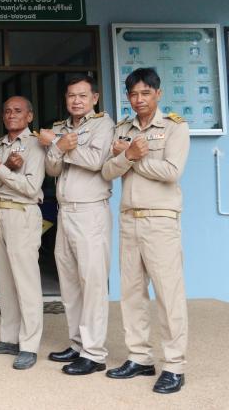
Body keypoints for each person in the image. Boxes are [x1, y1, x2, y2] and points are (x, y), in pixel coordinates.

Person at [102, 67, 189, 395]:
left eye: (146, 93)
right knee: (132, 293)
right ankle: (139, 357)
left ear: (158, 94)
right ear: (128, 97)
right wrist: (127, 155)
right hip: (129, 218)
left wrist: (132, 158)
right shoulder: (123, 129)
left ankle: (174, 365)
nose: (139, 99)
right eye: (134, 94)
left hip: (160, 219)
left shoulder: (174, 127)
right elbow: (107, 171)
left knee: (168, 295)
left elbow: (171, 171)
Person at [37, 76, 115, 375]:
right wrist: (58, 146)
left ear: (95, 98)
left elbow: (95, 160)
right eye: (71, 96)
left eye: (83, 95)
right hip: (65, 212)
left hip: (90, 211)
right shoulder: (61, 127)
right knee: (69, 282)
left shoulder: (103, 124)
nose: (77, 101)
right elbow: (51, 167)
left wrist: (58, 145)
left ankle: (94, 353)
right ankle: (78, 343)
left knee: (92, 283)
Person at [0, 96, 45, 370]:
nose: (11, 115)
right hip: (1, 213)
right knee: (5, 281)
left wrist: (0, 168)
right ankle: (9, 338)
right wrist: (5, 167)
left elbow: (30, 188)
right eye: (7, 111)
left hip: (23, 213)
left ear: (29, 116)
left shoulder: (35, 144)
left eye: (18, 111)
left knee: (26, 282)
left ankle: (29, 345)